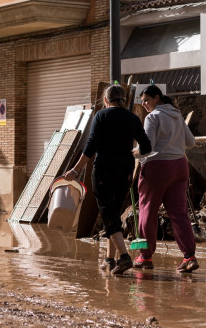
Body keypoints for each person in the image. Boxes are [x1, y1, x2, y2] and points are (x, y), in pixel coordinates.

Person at [64, 84, 151, 275]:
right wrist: (131, 153)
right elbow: (146, 146)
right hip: (126, 170)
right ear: (124, 100)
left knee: (108, 214)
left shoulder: (101, 116)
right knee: (112, 214)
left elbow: (90, 147)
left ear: (105, 100)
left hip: (104, 170)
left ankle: (124, 256)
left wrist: (75, 171)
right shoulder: (132, 117)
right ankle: (109, 260)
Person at [134, 85, 198, 272]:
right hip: (180, 166)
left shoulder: (152, 117)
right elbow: (191, 142)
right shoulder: (177, 115)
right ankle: (189, 256)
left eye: (146, 100)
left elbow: (148, 147)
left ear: (157, 98)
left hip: (157, 168)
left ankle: (145, 256)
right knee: (179, 214)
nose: (144, 104)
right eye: (142, 101)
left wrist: (134, 152)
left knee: (147, 210)